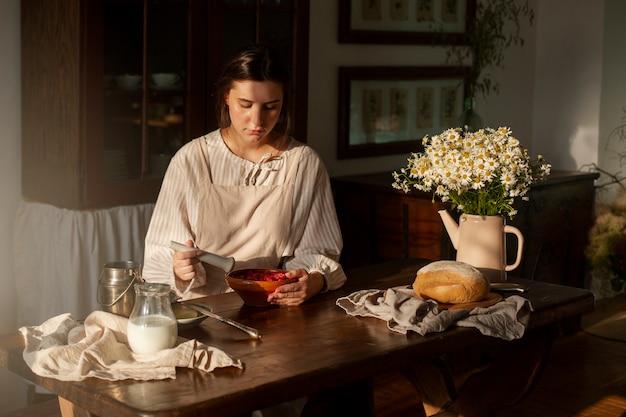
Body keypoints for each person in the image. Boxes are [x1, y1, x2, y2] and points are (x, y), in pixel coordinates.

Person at [142, 43, 346, 309]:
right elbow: (159, 255)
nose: (257, 121)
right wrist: (179, 269)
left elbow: (319, 250)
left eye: (270, 107)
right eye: (245, 105)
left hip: (274, 307)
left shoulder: (303, 163)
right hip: (203, 309)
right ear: (226, 97)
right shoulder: (192, 159)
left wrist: (314, 281)